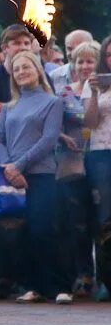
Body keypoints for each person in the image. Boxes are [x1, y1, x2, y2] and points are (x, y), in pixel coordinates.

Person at [0, 51, 67, 304]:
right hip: (12, 178)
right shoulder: (9, 106)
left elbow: (48, 140)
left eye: (27, 67)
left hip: (41, 174)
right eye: (17, 69)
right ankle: (31, 285)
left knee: (43, 230)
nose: (22, 72)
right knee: (19, 233)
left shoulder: (52, 102)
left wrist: (19, 166)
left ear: (38, 69)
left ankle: (58, 286)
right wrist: (8, 167)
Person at [57, 41, 97, 297]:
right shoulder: (65, 92)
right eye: (80, 61)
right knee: (78, 221)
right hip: (73, 163)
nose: (85, 66)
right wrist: (62, 136)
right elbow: (53, 123)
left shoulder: (105, 90)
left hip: (101, 157)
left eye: (90, 61)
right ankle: (83, 274)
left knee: (102, 220)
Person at [82, 36, 111, 302]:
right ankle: (105, 280)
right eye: (110, 54)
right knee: (104, 220)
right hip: (101, 153)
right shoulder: (96, 84)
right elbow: (89, 123)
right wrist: (93, 92)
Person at [0, 24, 35, 103]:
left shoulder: (39, 76)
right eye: (17, 43)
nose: (23, 47)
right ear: (4, 48)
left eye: (27, 43)